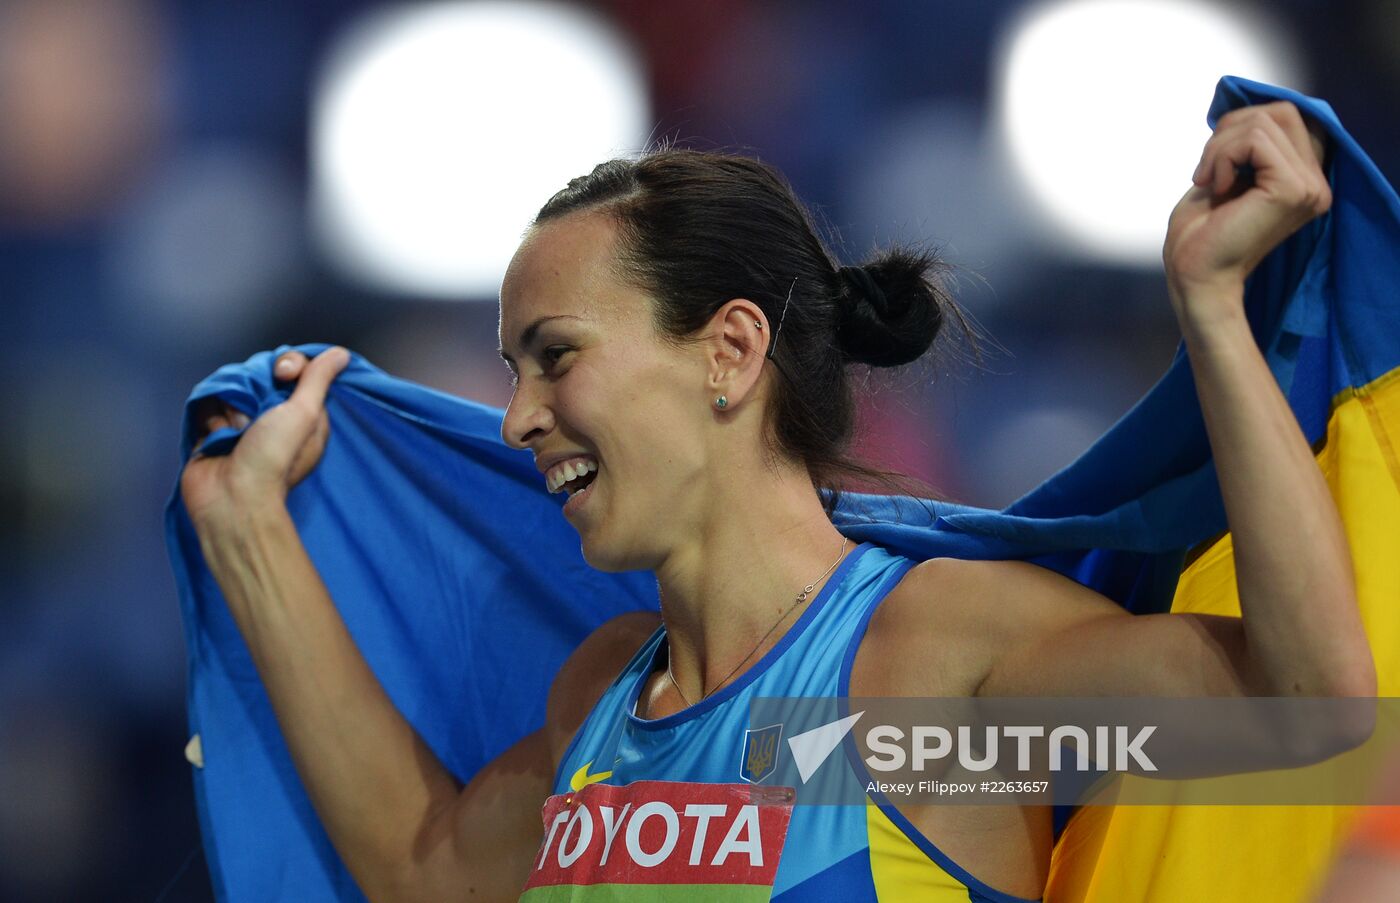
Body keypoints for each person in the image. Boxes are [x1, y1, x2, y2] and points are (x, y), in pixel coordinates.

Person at [180, 100, 1374, 902]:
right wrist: (249, 537)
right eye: (510, 372)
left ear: (727, 352)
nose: (517, 418)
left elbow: (1302, 715)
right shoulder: (600, 698)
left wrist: (1209, 310)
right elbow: (422, 866)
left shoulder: (922, 677)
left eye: (554, 356)